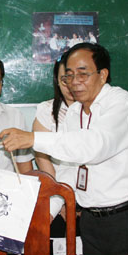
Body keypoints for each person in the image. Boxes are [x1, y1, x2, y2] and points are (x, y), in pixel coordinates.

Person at [0, 43, 128, 255]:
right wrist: (46, 214)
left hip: (126, 217)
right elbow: (67, 170)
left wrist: (32, 138)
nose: (74, 82)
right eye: (69, 76)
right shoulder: (74, 112)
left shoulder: (119, 101)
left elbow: (94, 145)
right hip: (90, 221)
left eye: (82, 74)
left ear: (103, 75)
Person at [32, 55, 79, 236]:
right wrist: (61, 199)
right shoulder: (46, 111)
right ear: (57, 81)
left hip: (91, 197)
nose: (70, 84)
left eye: (75, 77)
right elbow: (42, 158)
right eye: (64, 79)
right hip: (55, 193)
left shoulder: (96, 111)